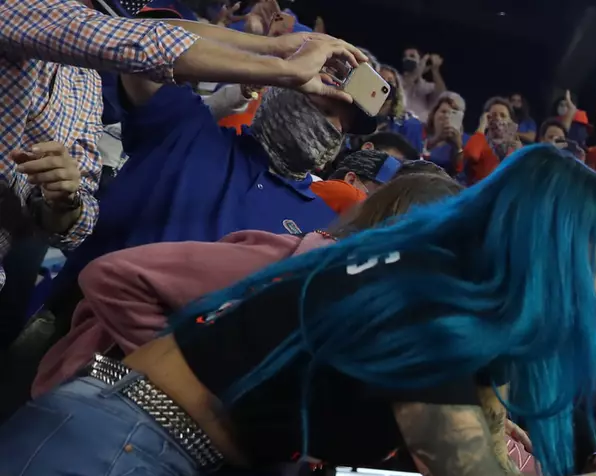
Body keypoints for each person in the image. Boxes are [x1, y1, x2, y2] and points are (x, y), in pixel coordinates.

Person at [0, 144, 596, 476]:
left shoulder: (439, 295)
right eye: (594, 267)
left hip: (129, 452)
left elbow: (494, 466)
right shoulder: (428, 306)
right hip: (111, 452)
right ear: (546, 251)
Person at [0, 3, 370, 289]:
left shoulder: (321, 225)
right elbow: (143, 42)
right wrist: (270, 51)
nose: (328, 124)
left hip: (183, 380)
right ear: (280, 89)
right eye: (319, 104)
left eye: (341, 122)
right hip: (74, 334)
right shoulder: (185, 127)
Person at [34, 171, 465, 398]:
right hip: (87, 414)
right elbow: (109, 276)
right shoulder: (283, 265)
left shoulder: (362, 310)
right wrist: (188, 379)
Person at [464, 96, 524, 183]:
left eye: (503, 116)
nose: (498, 119)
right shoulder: (480, 141)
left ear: (510, 121)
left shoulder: (517, 148)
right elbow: (471, 154)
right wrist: (482, 126)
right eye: (493, 115)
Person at [421, 91, 466, 177]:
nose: (447, 116)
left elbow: (459, 173)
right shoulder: (420, 132)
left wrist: (458, 148)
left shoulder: (465, 141)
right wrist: (436, 140)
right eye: (443, 111)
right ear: (434, 114)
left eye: (452, 113)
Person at [395, 47, 444, 123]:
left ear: (419, 61)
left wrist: (435, 69)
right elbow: (408, 81)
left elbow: (442, 93)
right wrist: (424, 62)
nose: (407, 58)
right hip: (400, 125)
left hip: (420, 128)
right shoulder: (397, 79)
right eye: (405, 56)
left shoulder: (424, 85)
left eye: (412, 56)